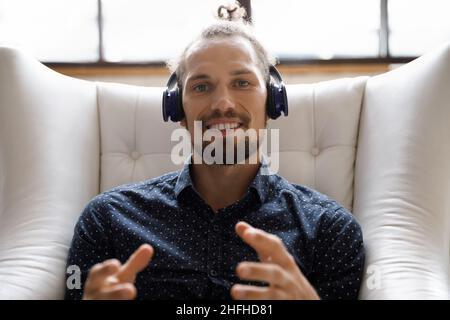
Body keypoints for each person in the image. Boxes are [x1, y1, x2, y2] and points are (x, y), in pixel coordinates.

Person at [65, 3, 365, 300]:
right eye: (201, 87)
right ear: (176, 109)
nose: (223, 103)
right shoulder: (106, 219)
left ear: (272, 102)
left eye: (242, 82)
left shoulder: (330, 230)